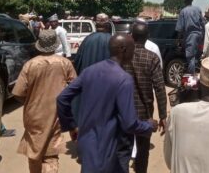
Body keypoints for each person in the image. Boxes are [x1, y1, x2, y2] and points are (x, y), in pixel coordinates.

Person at [57, 34, 158, 173]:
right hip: (109, 150)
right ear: (123, 49)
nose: (134, 52)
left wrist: (71, 126)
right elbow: (129, 123)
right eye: (132, 48)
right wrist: (149, 125)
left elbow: (62, 98)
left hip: (86, 145)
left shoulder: (89, 71)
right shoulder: (124, 79)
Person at [12, 30, 77, 173]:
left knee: (34, 151)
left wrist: (31, 102)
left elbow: (18, 92)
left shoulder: (30, 65)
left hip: (33, 114)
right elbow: (75, 89)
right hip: (56, 114)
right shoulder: (65, 63)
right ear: (55, 45)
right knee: (51, 152)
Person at [124, 20, 167, 173]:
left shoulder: (122, 57)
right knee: (143, 152)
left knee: (123, 150)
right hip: (145, 113)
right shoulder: (152, 58)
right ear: (147, 36)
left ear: (132, 36)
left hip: (123, 110)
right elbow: (160, 88)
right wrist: (163, 115)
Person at [175, 0, 205, 74]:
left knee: (190, 58)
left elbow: (180, 28)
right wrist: (203, 37)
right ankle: (196, 75)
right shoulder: (198, 9)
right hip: (199, 36)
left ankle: (192, 79)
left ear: (184, 0)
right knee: (196, 58)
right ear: (192, 0)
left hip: (190, 37)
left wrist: (178, 40)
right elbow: (203, 24)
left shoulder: (183, 11)